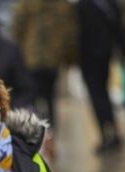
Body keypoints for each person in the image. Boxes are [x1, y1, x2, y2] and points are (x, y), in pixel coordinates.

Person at [11, 0, 79, 130]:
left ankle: (36, 129)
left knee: (32, 95)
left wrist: (15, 55)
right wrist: (70, 58)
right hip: (53, 59)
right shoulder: (63, 5)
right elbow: (71, 33)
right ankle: (51, 129)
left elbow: (17, 28)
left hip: (30, 58)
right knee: (50, 96)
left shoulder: (27, 3)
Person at [77, 0, 125, 153]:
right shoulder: (110, 4)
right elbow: (119, 30)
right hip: (104, 55)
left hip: (88, 57)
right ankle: (113, 131)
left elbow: (78, 32)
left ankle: (106, 134)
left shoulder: (83, 5)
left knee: (97, 96)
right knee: (103, 94)